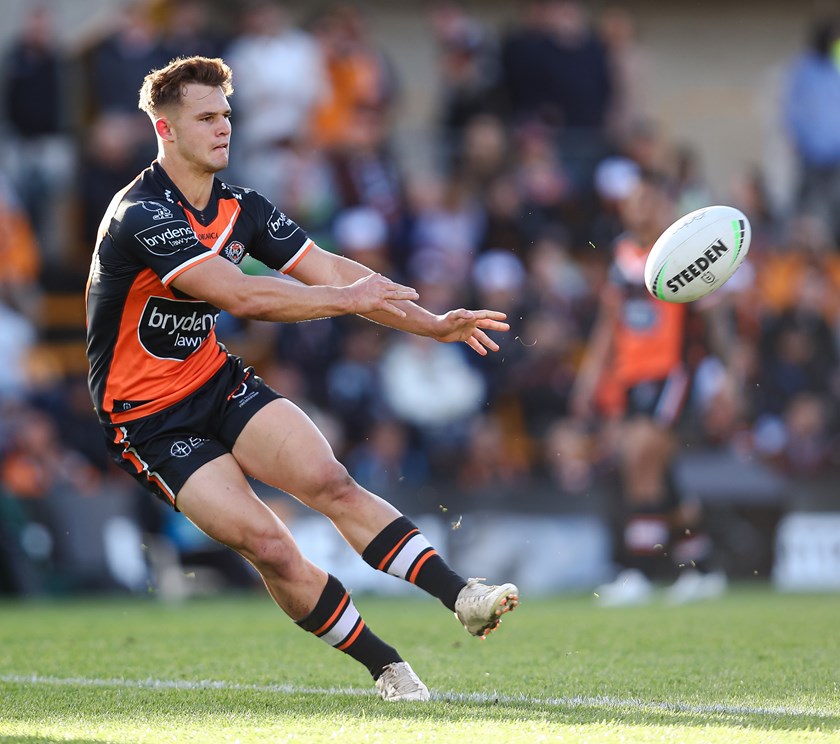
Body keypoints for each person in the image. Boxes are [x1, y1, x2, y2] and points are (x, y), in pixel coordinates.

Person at [84, 56, 518, 701]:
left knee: (331, 482)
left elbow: (331, 270)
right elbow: (244, 298)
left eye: (226, 115)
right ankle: (387, 667)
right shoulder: (140, 214)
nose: (223, 128)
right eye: (206, 118)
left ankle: (463, 595)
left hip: (212, 380)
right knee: (271, 545)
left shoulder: (242, 206)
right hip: (146, 419)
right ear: (166, 130)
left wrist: (430, 326)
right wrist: (348, 300)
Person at [570, 172, 727, 606]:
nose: (638, 208)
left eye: (647, 200)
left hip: (672, 372)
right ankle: (703, 566)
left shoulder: (685, 253)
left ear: (662, 205)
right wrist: (591, 377)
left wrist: (725, 376)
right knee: (658, 473)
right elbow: (609, 324)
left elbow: (711, 318)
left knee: (639, 457)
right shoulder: (622, 255)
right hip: (631, 375)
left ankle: (637, 570)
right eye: (633, 201)